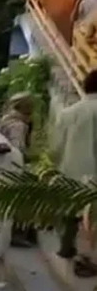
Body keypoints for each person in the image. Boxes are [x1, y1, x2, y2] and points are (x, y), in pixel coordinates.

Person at [51, 69, 97, 277]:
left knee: (69, 214)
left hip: (69, 170)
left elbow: (55, 148)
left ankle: (66, 248)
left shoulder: (67, 113)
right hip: (94, 175)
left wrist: (58, 165)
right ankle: (88, 258)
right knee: (92, 217)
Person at [0, 92, 34, 247]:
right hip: (12, 167)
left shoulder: (5, 119)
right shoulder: (18, 124)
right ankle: (17, 235)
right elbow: (17, 149)